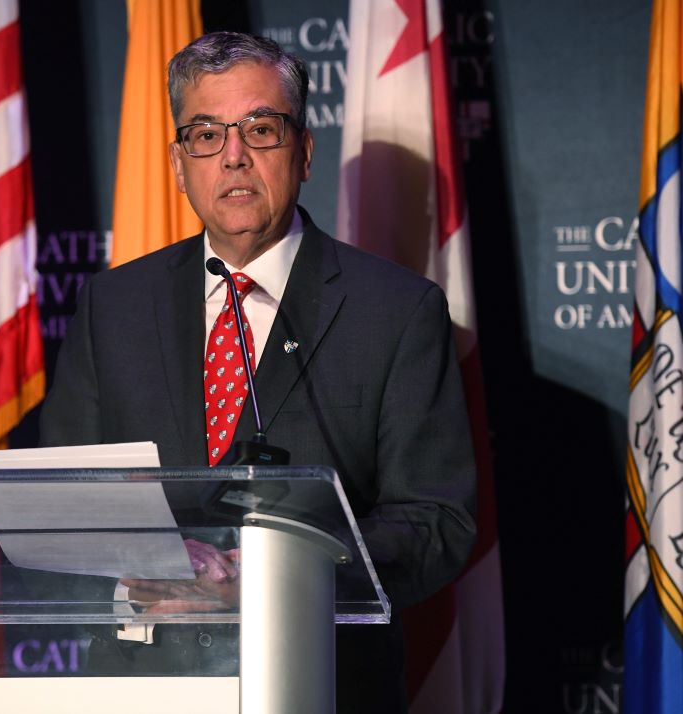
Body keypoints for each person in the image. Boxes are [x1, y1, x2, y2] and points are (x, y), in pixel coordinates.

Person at [39, 31, 476, 713]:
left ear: (303, 152)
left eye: (261, 129)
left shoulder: (394, 311)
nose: (234, 156)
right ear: (179, 163)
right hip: (143, 685)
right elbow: (61, 497)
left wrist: (279, 571)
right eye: (207, 134)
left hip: (319, 681)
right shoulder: (114, 306)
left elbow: (436, 522)